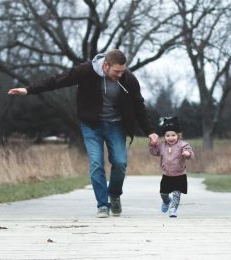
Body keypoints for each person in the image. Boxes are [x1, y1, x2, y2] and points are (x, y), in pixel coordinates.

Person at [8, 49, 159, 218]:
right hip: (91, 125)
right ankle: (103, 205)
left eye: (122, 71)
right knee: (96, 164)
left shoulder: (128, 79)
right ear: (105, 65)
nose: (120, 75)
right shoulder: (85, 71)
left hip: (116, 125)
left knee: (120, 162)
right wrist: (29, 90)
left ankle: (114, 194)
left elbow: (139, 106)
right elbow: (58, 80)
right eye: (117, 71)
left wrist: (150, 132)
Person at [149, 116, 194, 218]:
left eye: (173, 135)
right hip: (166, 175)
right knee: (163, 193)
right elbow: (154, 152)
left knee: (177, 194)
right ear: (164, 136)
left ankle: (173, 209)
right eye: (167, 135)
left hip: (179, 175)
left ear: (178, 135)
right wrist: (152, 145)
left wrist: (187, 153)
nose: (171, 138)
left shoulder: (183, 145)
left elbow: (190, 153)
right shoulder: (161, 146)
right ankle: (166, 201)